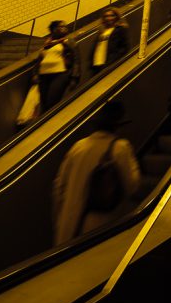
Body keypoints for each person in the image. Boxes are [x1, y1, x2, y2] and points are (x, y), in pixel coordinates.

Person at [52, 100, 141, 246]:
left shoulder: (78, 147)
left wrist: (60, 221)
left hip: (68, 230)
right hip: (101, 230)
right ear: (117, 126)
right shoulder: (121, 148)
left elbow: (58, 187)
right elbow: (133, 185)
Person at [33, 20, 80, 112]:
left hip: (60, 74)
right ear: (54, 29)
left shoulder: (68, 41)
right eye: (61, 27)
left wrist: (75, 76)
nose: (65, 29)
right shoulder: (47, 43)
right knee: (44, 101)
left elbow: (76, 58)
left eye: (65, 27)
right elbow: (39, 60)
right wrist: (35, 74)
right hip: (43, 75)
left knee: (52, 100)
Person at [92, 8, 129, 74]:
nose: (109, 18)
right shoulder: (101, 32)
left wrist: (113, 61)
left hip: (110, 64)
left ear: (116, 17)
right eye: (106, 16)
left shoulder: (120, 29)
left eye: (112, 15)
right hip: (97, 65)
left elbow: (125, 47)